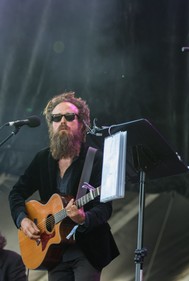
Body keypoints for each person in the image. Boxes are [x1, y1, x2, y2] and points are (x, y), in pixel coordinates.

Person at [8, 92, 119, 280]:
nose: (62, 122)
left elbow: (105, 206)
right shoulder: (43, 159)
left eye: (69, 117)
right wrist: (23, 220)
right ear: (51, 125)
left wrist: (84, 218)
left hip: (87, 248)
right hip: (53, 250)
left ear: (82, 124)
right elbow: (16, 193)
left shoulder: (96, 159)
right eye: (56, 118)